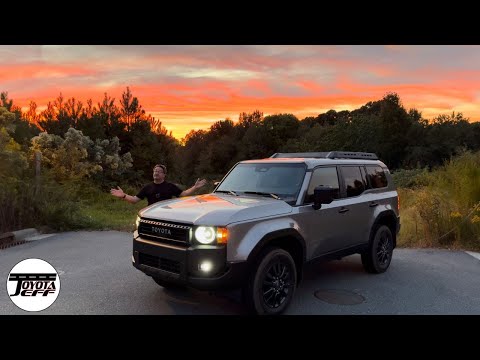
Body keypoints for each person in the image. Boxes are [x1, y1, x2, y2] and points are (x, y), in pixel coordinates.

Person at [110, 164, 207, 205]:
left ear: (164, 175)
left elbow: (183, 194)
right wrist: (123, 195)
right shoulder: (147, 187)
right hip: (151, 216)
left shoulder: (170, 186)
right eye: (155, 171)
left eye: (159, 171)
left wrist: (195, 187)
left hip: (166, 216)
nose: (156, 173)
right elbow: (134, 200)